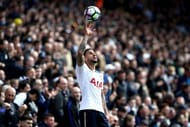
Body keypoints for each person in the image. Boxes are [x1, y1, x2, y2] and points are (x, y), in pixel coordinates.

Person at [75, 21, 110, 127]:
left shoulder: (100, 75)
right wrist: (86, 36)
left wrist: (106, 112)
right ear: (85, 58)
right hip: (87, 109)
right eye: (90, 53)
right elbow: (80, 52)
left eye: (94, 53)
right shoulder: (82, 69)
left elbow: (101, 95)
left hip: (100, 112)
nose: (94, 54)